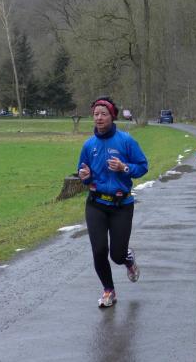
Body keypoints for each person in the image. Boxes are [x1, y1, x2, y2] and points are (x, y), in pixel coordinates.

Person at [77, 96, 148, 308]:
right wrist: (85, 177)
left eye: (103, 114)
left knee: (116, 255)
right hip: (96, 203)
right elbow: (83, 172)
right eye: (96, 114)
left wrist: (124, 167)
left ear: (112, 116)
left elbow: (143, 166)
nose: (99, 118)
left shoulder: (126, 141)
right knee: (99, 250)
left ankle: (127, 259)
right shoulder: (89, 145)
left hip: (121, 205)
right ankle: (108, 290)